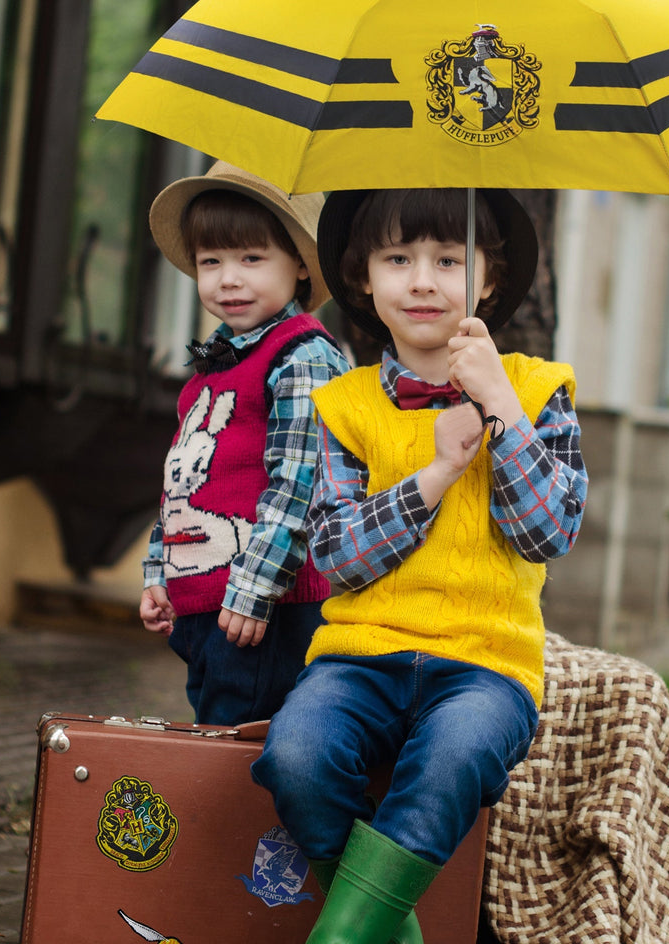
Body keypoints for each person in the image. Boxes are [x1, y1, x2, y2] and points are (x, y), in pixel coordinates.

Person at [251, 188, 589, 943]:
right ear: (364, 278)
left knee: (454, 758)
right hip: (359, 656)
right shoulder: (343, 405)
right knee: (296, 757)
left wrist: (499, 404)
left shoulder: (537, 392)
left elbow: (548, 534)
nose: (423, 280)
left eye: (448, 259)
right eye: (398, 259)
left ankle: (343, 937)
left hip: (485, 663)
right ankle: (391, 932)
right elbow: (334, 556)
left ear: (490, 280)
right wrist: (433, 476)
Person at [138, 160, 349, 726]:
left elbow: (300, 486)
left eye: (251, 259)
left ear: (301, 265)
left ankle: (281, 821)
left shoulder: (301, 357)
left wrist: (257, 590)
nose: (228, 278)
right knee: (215, 730)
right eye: (212, 262)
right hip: (205, 607)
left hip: (268, 608)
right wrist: (160, 573)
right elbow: (181, 481)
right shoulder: (211, 369)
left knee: (242, 746)